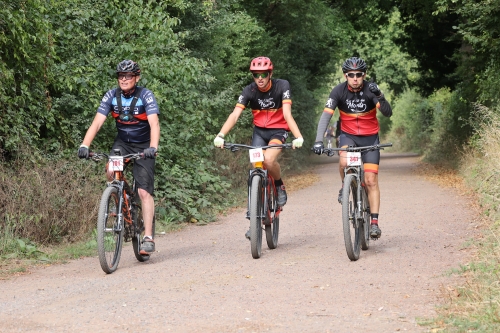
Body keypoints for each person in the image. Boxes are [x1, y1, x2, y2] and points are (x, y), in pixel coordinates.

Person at [213, 56, 304, 239]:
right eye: (256, 75)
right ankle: (254, 220)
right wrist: (221, 135)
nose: (260, 78)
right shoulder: (249, 90)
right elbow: (235, 115)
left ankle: (279, 186)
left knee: (269, 160)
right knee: (256, 167)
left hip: (278, 131)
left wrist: (298, 136)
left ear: (270, 74)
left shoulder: (282, 86)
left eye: (263, 74)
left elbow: (286, 114)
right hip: (260, 133)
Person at [78, 59, 160, 254]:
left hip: (144, 145)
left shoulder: (145, 96)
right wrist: (84, 145)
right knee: (110, 171)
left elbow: (154, 124)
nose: (124, 79)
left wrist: (153, 147)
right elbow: (97, 123)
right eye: (121, 76)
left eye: (128, 76)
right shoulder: (111, 96)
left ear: (136, 77)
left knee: (143, 192)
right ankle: (117, 196)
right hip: (122, 143)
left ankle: (148, 237)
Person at [312, 57, 392, 239]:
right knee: (344, 161)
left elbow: (387, 113)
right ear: (345, 75)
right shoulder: (338, 91)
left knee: (371, 180)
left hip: (370, 138)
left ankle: (374, 223)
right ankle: (345, 185)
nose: (355, 78)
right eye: (351, 75)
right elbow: (326, 116)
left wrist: (380, 96)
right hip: (348, 136)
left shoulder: (371, 90)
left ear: (364, 75)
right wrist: (318, 140)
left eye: (359, 75)